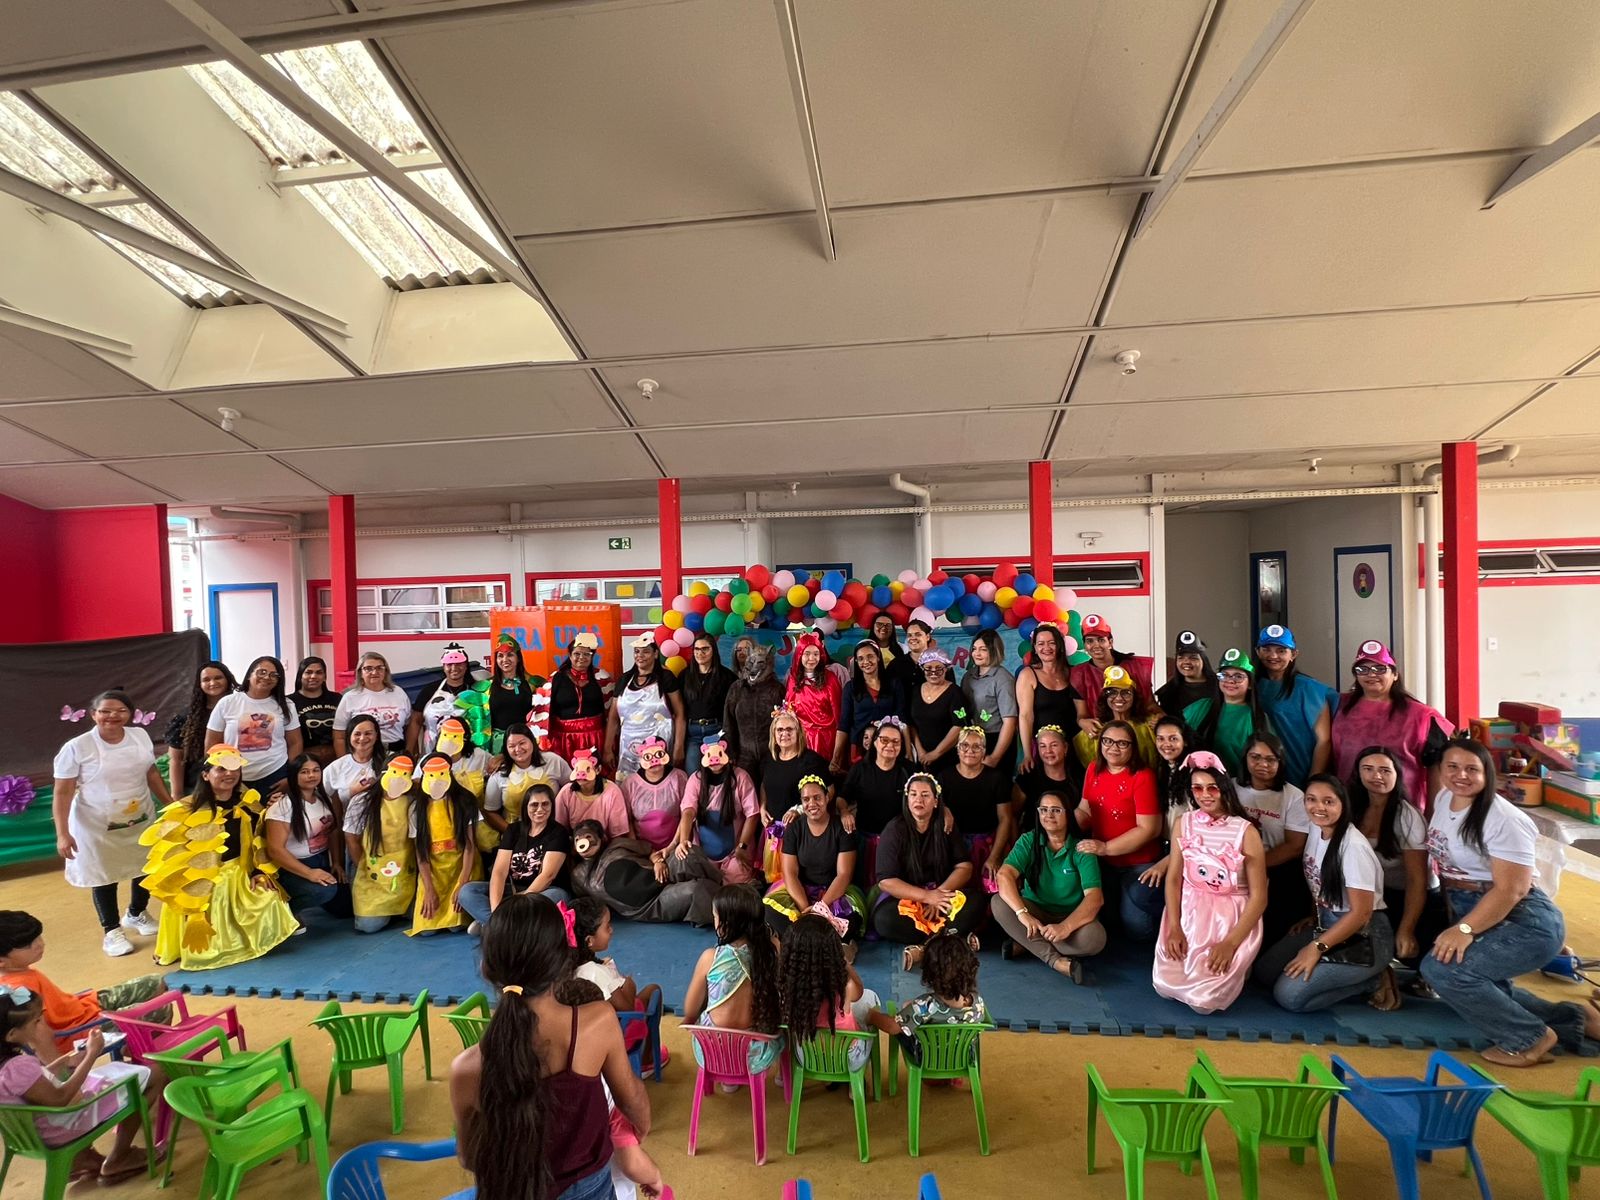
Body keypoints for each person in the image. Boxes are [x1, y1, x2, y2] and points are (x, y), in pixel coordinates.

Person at [451, 892, 649, 1200]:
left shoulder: (466, 1068)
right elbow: (632, 1099)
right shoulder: (596, 1022)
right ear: (561, 960)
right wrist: (640, 1127)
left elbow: (469, 1158)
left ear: (488, 968)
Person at [1420, 738, 1600, 1066]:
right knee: (1488, 989)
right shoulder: (1447, 797)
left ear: (1487, 773)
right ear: (1441, 770)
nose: (1461, 775)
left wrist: (1464, 929)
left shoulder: (1503, 818)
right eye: (1453, 767)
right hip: (1478, 907)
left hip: (1523, 920)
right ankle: (1575, 1019)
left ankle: (1529, 1038)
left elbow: (1511, 890)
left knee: (1443, 972)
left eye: (1472, 769)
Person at [140, 744, 298, 969]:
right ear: (206, 775)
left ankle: (245, 942)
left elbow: (257, 842)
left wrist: (258, 872)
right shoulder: (184, 811)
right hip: (198, 881)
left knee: (269, 897)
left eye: (234, 770)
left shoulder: (250, 805)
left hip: (238, 873)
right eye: (221, 769)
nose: (229, 775)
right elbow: (173, 858)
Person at [1253, 775, 1394, 1012]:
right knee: (1264, 973)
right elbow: (1319, 881)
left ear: (1342, 804)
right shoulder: (1316, 828)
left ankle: (1374, 980)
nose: (1319, 807)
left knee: (1289, 996)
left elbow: (1361, 914)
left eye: (1328, 802)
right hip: (1327, 923)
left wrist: (1315, 947)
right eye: (1311, 800)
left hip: (1364, 935)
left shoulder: (1353, 847)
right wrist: (1315, 916)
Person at [52, 689, 172, 958]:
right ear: (94, 714)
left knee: (146, 865)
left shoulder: (139, 736)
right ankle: (111, 930)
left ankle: (137, 912)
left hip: (140, 815)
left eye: (120, 711)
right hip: (96, 823)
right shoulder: (77, 747)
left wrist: (169, 802)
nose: (112, 716)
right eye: (105, 711)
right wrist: (63, 833)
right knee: (104, 875)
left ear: (130, 714)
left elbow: (151, 772)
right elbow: (62, 792)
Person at [0, 988, 161, 1185]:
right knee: (154, 1074)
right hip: (61, 1127)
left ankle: (81, 1160)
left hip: (28, 1134)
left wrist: (64, 1062)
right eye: (35, 1022)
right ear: (12, 1034)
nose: (40, 1026)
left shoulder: (8, 1067)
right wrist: (93, 1053)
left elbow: (31, 1084)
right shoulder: (19, 1066)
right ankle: (120, 1156)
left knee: (111, 1074)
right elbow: (60, 1099)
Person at [1152, 753, 1267, 1014]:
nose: (1205, 794)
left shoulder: (1245, 831)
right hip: (1191, 911)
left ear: (1224, 788)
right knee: (1164, 986)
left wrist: (1230, 944)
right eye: (1197, 788)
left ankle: (1240, 965)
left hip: (1228, 919)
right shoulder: (1185, 822)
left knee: (1204, 1003)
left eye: (1212, 787)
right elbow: (1173, 878)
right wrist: (1174, 927)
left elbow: (1259, 897)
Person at [1347, 745, 1446, 988]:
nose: (1376, 776)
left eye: (1384, 770)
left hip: (1413, 896)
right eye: (1368, 769)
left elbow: (1416, 880)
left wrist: (1406, 928)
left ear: (1397, 775)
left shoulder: (1407, 816)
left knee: (1420, 960)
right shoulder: (1350, 808)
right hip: (1373, 895)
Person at [0, 911, 168, 1049]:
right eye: (27, 944)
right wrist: (61, 1070)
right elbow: (39, 1034)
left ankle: (143, 1047)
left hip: (83, 1007)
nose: (39, 944)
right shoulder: (18, 989)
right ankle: (147, 1056)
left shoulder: (18, 969)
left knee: (155, 982)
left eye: (37, 937)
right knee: (160, 1008)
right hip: (77, 1032)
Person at [989, 789, 1105, 980]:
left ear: (1068, 814)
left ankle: (1028, 944)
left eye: (1056, 810)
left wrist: (1065, 927)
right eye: (1044, 810)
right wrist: (1023, 915)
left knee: (1095, 938)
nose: (1049, 815)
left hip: (1070, 919)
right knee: (998, 903)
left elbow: (1095, 898)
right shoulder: (1029, 840)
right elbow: (1004, 875)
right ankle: (1055, 961)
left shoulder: (1082, 848)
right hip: (1036, 913)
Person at [872, 775, 981, 966]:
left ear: (936, 801)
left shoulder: (945, 826)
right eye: (913, 794)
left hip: (942, 896)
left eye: (925, 795)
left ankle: (925, 949)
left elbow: (964, 867)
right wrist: (926, 897)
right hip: (909, 898)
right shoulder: (894, 829)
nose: (918, 800)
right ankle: (952, 940)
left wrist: (939, 895)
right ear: (907, 799)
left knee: (976, 901)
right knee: (884, 919)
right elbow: (886, 881)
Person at [1331, 641, 1453, 809]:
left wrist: (1434, 814)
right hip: (1349, 806)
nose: (1371, 674)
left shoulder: (1421, 715)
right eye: (1362, 669)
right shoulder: (1338, 706)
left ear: (1395, 674)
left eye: (1380, 668)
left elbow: (1436, 768)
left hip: (1402, 808)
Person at [1073, 719, 1163, 942]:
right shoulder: (1094, 768)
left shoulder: (1143, 776)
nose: (1113, 748)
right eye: (1108, 741)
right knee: (1105, 919)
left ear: (1133, 747)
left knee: (1138, 930)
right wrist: (1060, 824)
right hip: (1102, 862)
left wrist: (1105, 847)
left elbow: (1149, 829)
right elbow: (1085, 810)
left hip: (1137, 863)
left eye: (1122, 743)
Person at [681, 885, 783, 1075]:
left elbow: (689, 1010)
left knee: (703, 1009)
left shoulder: (710, 958)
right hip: (756, 1054)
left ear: (726, 924)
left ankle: (727, 1079)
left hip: (713, 1051)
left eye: (715, 916)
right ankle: (783, 1077)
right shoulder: (772, 952)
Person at [764, 776, 865, 946]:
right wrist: (805, 911)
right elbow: (790, 873)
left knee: (851, 918)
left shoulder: (841, 829)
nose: (812, 804)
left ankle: (819, 942)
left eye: (817, 798)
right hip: (802, 891)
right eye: (806, 799)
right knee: (770, 912)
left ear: (827, 798)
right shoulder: (795, 829)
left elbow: (844, 874)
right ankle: (818, 941)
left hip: (833, 893)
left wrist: (821, 907)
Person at [458, 784, 570, 935]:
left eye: (545, 804)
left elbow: (548, 875)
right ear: (526, 807)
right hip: (514, 889)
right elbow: (499, 872)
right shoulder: (513, 830)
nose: (540, 809)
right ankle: (500, 924)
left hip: (543, 891)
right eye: (534, 805)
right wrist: (497, 909)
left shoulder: (558, 833)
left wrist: (521, 900)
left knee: (556, 897)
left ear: (552, 806)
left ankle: (493, 926)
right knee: (467, 892)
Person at [777, 915, 879, 1072]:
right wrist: (843, 962)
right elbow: (860, 990)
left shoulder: (788, 987)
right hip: (848, 1058)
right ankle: (855, 1086)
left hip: (808, 1057)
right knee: (869, 1001)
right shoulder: (847, 986)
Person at [568, 821, 719, 927]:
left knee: (689, 854)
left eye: (589, 836)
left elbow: (650, 851)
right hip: (650, 904)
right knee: (695, 890)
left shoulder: (618, 845)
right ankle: (727, 911)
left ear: (600, 838)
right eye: (578, 839)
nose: (584, 841)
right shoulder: (578, 876)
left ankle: (726, 890)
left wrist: (658, 862)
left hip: (661, 872)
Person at [865, 931, 989, 1050]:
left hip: (928, 1057)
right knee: (910, 1007)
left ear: (930, 975)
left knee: (905, 1022)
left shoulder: (926, 1005)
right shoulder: (978, 1002)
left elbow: (893, 1027)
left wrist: (871, 1015)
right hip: (963, 1057)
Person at [263, 754, 350, 920]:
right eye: (304, 772)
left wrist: (337, 862)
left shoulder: (324, 799)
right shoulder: (282, 805)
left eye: (316, 770)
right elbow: (275, 850)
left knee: (346, 907)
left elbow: (332, 832)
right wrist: (310, 873)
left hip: (322, 859)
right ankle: (282, 915)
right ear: (294, 776)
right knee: (324, 891)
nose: (311, 775)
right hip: (293, 867)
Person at [343, 753, 419, 934]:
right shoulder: (362, 801)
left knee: (415, 915)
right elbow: (351, 839)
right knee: (368, 926)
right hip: (371, 870)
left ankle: (399, 908)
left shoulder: (412, 803)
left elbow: (416, 842)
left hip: (404, 870)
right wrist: (365, 868)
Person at [1253, 625, 1337, 789]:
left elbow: (1324, 740)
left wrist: (1314, 779)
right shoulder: (1252, 686)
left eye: (1281, 650)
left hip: (1301, 769)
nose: (1273, 655)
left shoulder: (1309, 688)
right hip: (1263, 770)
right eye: (1267, 649)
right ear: (1258, 652)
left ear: (1294, 654)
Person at [672, 733, 761, 884]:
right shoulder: (695, 779)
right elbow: (688, 811)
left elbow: (752, 814)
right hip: (704, 849)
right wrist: (683, 841)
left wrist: (742, 846)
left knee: (735, 883)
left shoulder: (741, 777)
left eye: (719, 754)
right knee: (703, 885)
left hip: (736, 849)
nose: (714, 760)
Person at [205, 656, 302, 794]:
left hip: (275, 774)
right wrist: (220, 774)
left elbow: (295, 743)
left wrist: (290, 776)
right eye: (261, 672)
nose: (267, 677)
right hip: (233, 776)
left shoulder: (287, 705)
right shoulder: (227, 703)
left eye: (273, 675)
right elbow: (212, 744)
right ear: (250, 674)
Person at [410, 755, 479, 936]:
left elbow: (470, 846)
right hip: (434, 872)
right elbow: (420, 853)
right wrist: (429, 889)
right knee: (427, 931)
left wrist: (462, 884)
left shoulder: (464, 801)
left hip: (461, 868)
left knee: (456, 926)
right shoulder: (417, 808)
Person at [940, 726, 1017, 885]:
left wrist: (994, 856)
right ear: (957, 749)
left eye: (977, 747)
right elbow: (934, 806)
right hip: (954, 845)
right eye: (965, 745)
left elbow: (1005, 818)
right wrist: (944, 809)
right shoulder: (944, 777)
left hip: (987, 844)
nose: (970, 750)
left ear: (984, 751)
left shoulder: (997, 778)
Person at [569, 897, 663, 1022]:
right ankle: (648, 1040)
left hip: (585, 1029)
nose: (612, 930)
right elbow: (627, 1008)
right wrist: (630, 985)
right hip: (616, 1031)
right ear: (589, 940)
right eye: (607, 927)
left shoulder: (567, 966)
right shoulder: (597, 972)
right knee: (653, 989)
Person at [1182, 648, 1270, 777]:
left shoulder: (1257, 717)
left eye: (1238, 676)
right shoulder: (1201, 707)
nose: (1230, 681)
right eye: (1224, 675)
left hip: (1242, 786)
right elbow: (1176, 733)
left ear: (1250, 683)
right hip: (1203, 785)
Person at [608, 636, 684, 777]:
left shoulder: (666, 678)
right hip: (629, 747)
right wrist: (607, 749)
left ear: (656, 654)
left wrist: (679, 747)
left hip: (660, 743)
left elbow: (680, 714)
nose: (640, 656)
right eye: (637, 651)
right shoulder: (625, 679)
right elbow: (613, 718)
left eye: (646, 652)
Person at [462, 633, 546, 760]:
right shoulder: (484, 688)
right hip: (498, 744)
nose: (505, 659)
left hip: (527, 743)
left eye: (510, 655)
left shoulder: (534, 685)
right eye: (500, 656)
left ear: (518, 658)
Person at [163, 660, 238, 798]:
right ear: (200, 684)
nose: (212, 683)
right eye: (206, 679)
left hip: (234, 781)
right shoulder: (187, 718)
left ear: (228, 679)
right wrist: (177, 794)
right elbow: (176, 759)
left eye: (218, 678)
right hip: (196, 785)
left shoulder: (239, 710)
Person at [1015, 624, 1083, 771]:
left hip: (1073, 746)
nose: (1046, 647)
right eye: (1041, 643)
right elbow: (1025, 716)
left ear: (1059, 646)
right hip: (1043, 749)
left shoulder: (1072, 673)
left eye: (1051, 643)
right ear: (1035, 648)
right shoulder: (1028, 675)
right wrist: (1027, 754)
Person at [485, 724, 572, 832]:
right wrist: (510, 832)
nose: (518, 749)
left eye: (522, 743)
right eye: (511, 746)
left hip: (553, 829)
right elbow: (490, 811)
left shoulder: (553, 761)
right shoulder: (499, 773)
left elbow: (572, 788)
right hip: (516, 832)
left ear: (532, 741)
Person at [835, 641, 905, 771]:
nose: (865, 662)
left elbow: (901, 718)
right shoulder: (850, 688)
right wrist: (836, 757)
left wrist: (909, 752)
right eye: (860, 658)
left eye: (870, 656)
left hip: (888, 745)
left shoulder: (894, 684)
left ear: (878, 657)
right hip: (858, 747)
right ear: (856, 662)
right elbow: (844, 724)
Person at [839, 717, 912, 837]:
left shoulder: (909, 770)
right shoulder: (859, 768)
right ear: (875, 742)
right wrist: (844, 812)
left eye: (895, 741)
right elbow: (842, 798)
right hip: (865, 835)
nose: (890, 745)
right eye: (884, 740)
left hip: (898, 837)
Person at [548, 633, 612, 768]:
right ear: (570, 656)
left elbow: (611, 713)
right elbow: (546, 712)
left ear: (592, 656)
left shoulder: (602, 678)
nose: (581, 657)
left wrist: (609, 745)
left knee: (593, 776)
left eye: (587, 654)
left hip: (595, 738)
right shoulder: (556, 679)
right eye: (577, 654)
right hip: (564, 740)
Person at [1069, 614, 1155, 716]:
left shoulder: (1136, 666)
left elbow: (1150, 705)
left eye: (1101, 640)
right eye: (1090, 641)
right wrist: (1083, 722)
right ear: (1085, 646)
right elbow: (1082, 715)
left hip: (1135, 727)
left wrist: (1159, 717)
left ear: (1110, 642)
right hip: (1098, 729)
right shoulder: (1078, 674)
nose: (1096, 645)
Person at [1072, 666, 1157, 768]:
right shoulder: (1095, 728)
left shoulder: (1149, 725)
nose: (1119, 698)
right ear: (1105, 697)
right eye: (1112, 693)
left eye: (1126, 693)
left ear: (1135, 697)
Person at [758, 706, 831, 825]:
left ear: (798, 733)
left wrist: (800, 810)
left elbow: (829, 791)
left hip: (801, 828)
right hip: (772, 828)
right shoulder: (768, 759)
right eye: (780, 730)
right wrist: (762, 809)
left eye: (789, 729)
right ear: (774, 735)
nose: (784, 733)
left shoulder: (812, 760)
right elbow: (763, 785)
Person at [722, 642, 783, 780]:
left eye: (760, 662)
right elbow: (728, 723)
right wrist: (730, 752)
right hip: (744, 755)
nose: (754, 666)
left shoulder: (777, 689)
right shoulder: (737, 688)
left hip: (771, 753)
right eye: (751, 661)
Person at [960, 629, 1018, 771]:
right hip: (972, 740)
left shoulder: (1003, 679)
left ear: (994, 651)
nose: (976, 653)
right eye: (974, 649)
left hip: (996, 740)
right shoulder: (969, 676)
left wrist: (995, 757)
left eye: (983, 649)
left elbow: (1009, 723)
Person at [411, 643, 481, 759]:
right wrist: (410, 750)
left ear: (466, 665)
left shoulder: (477, 691)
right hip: (431, 752)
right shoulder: (429, 691)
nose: (454, 668)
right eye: (449, 664)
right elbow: (415, 721)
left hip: (467, 755)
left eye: (459, 663)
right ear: (443, 666)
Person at [332, 652, 412, 754]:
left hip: (396, 753)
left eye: (379, 668)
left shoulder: (399, 693)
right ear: (360, 672)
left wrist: (409, 752)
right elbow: (339, 735)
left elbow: (408, 726)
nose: (374, 672)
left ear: (386, 671)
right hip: (363, 755)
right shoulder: (350, 697)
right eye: (368, 668)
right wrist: (343, 761)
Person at [783, 632, 843, 763]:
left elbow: (838, 714)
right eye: (807, 654)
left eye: (816, 654)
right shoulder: (793, 678)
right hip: (801, 739)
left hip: (826, 739)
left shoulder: (830, 678)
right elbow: (788, 708)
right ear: (799, 655)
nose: (812, 658)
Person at [679, 634, 735, 774]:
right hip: (693, 733)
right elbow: (679, 709)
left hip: (717, 731)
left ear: (713, 651)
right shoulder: (684, 676)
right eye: (697, 649)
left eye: (705, 649)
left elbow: (732, 710)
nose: (700, 653)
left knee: (718, 773)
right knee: (693, 774)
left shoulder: (727, 677)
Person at [619, 737, 687, 852]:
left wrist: (673, 847)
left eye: (659, 754)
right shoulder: (630, 783)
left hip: (675, 848)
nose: (654, 760)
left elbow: (686, 815)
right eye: (648, 757)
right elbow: (627, 821)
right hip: (641, 850)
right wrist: (640, 851)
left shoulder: (679, 778)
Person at [909, 648, 966, 773]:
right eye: (928, 667)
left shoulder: (955, 692)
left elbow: (959, 725)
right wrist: (921, 752)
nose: (933, 671)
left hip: (948, 759)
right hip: (921, 758)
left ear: (945, 668)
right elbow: (911, 723)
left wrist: (936, 753)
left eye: (938, 667)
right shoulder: (915, 691)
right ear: (923, 669)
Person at [558, 749, 631, 839]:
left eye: (588, 769)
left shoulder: (612, 792)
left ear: (598, 769)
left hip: (606, 845)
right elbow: (560, 829)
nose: (581, 774)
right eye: (577, 769)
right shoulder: (566, 793)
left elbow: (618, 834)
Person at [1013, 724, 1083, 815]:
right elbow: (1012, 815)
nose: (1048, 751)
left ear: (1065, 747)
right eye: (1043, 746)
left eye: (1054, 745)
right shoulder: (1027, 778)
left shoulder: (1080, 778)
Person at [289, 656, 339, 766]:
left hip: (335, 760)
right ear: (300, 675)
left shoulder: (337, 699)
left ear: (325, 677)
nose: (313, 676)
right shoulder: (289, 702)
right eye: (308, 672)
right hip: (305, 762)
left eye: (319, 672)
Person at [1153, 630, 1212, 718]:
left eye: (1193, 658)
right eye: (1181, 658)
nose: (1186, 662)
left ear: (1203, 660)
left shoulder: (1220, 687)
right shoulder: (1168, 692)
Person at [869, 612, 921, 697]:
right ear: (873, 626)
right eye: (879, 624)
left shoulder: (903, 649)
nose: (883, 628)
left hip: (899, 695)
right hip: (872, 695)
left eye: (888, 625)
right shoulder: (864, 648)